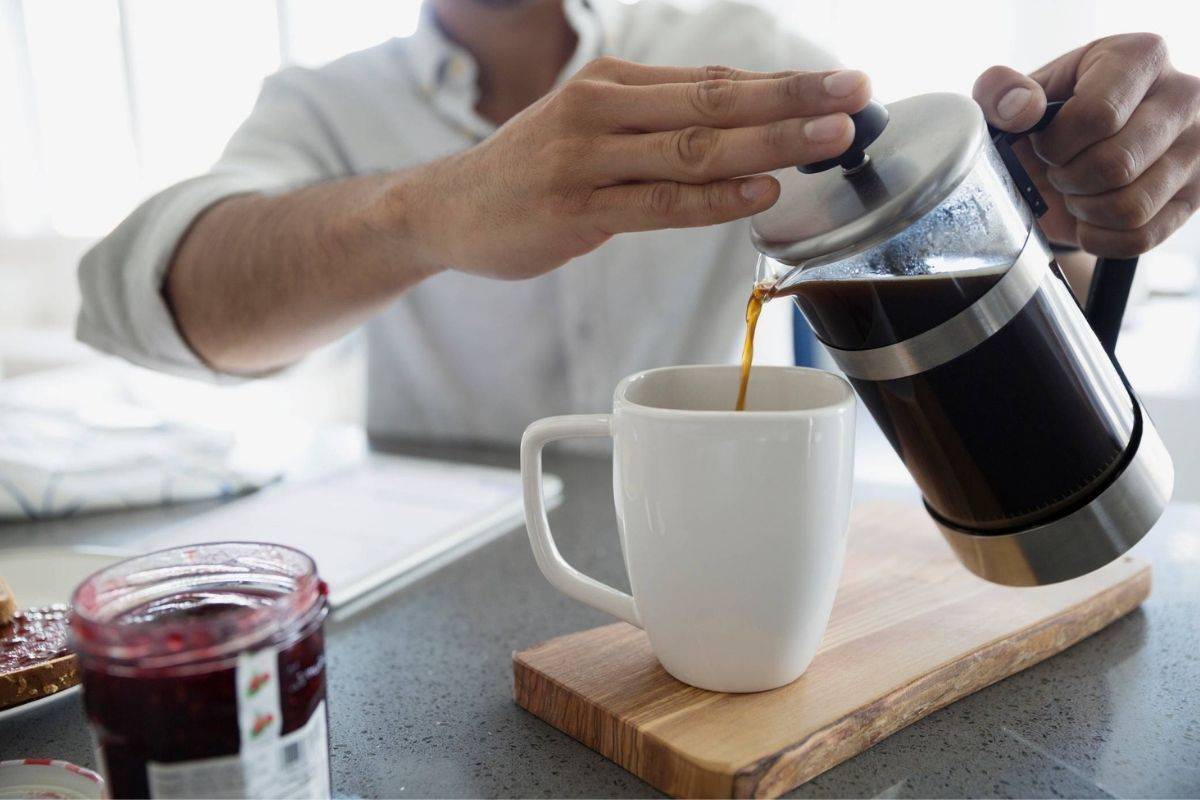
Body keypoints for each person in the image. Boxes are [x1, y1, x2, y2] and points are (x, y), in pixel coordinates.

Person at [78, 0, 1200, 444]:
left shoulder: (742, 55)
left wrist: (1054, 186)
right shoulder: (321, 103)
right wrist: (429, 209)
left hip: (718, 537)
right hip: (426, 563)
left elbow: (930, 231)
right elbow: (147, 298)